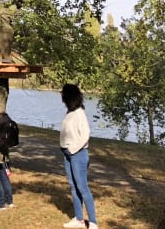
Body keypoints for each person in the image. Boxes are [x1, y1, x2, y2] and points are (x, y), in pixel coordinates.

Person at [60, 83, 99, 229]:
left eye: (63, 94)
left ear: (69, 96)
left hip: (78, 155)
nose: (62, 97)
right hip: (68, 154)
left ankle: (93, 222)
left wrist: (73, 149)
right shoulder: (70, 112)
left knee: (82, 187)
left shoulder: (79, 114)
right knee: (73, 186)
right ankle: (79, 219)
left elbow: (85, 135)